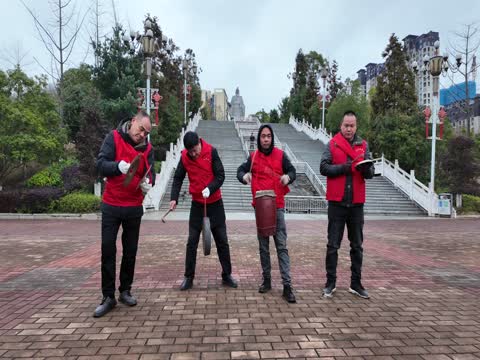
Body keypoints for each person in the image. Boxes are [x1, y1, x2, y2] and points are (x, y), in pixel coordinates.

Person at [94, 110, 155, 317]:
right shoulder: (113, 138)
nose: (142, 136)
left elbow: (151, 173)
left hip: (133, 207)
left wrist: (148, 184)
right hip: (111, 204)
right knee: (108, 249)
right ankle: (108, 296)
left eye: (146, 133)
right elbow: (101, 165)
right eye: (141, 130)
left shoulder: (147, 150)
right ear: (133, 122)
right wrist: (116, 166)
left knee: (130, 251)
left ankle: (125, 290)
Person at [169, 131, 237, 291]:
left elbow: (221, 175)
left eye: (195, 150)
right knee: (192, 241)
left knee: (222, 240)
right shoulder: (185, 157)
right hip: (197, 205)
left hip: (215, 204)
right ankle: (188, 277)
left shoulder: (211, 151)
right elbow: (178, 177)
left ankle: (227, 275)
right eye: (190, 151)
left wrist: (210, 188)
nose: (193, 154)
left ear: (199, 143)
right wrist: (174, 198)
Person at [237, 124, 297, 303]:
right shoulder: (253, 157)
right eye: (263, 136)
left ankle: (287, 285)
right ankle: (267, 280)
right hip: (261, 208)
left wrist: (288, 177)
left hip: (277, 206)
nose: (265, 139)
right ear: (259, 139)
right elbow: (240, 171)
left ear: (272, 138)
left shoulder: (280, 155)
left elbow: (292, 171)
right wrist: (244, 177)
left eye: (268, 136)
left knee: (281, 246)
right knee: (263, 246)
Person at [320, 110, 375, 299]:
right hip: (337, 203)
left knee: (357, 246)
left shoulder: (363, 145)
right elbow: (323, 167)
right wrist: (346, 168)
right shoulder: (332, 144)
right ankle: (330, 282)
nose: (349, 129)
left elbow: (370, 172)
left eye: (352, 126)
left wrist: (366, 169)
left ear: (356, 126)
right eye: (346, 125)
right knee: (333, 245)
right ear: (341, 126)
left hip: (356, 204)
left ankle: (356, 283)